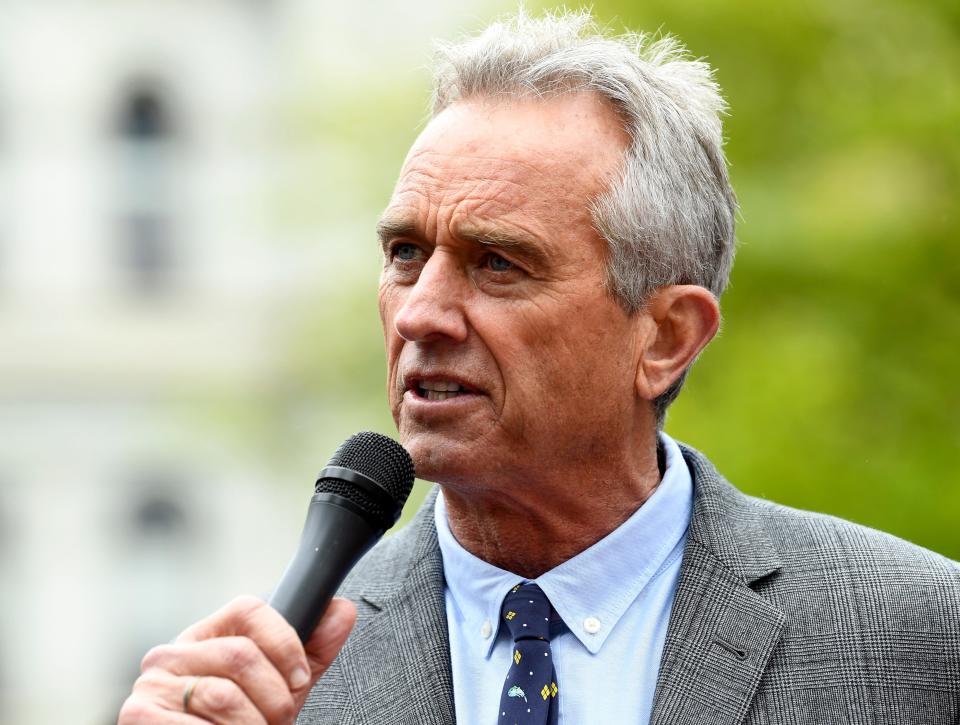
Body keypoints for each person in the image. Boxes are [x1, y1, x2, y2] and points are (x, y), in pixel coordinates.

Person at [118, 10, 960, 725]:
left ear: (666, 335)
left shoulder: (913, 639)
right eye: (406, 253)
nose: (420, 312)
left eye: (497, 264)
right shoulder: (271, 688)